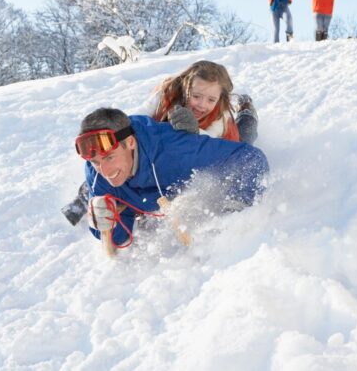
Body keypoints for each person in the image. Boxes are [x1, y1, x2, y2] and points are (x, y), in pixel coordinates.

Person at [61, 61, 258, 226]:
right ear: (185, 88)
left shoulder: (220, 119)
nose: (201, 104)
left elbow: (209, 153)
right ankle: (83, 198)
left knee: (246, 138)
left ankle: (247, 111)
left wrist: (193, 132)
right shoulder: (167, 94)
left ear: (219, 99)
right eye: (196, 96)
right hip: (157, 147)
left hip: (206, 145)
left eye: (210, 99)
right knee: (112, 157)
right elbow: (132, 123)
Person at [75, 108, 269, 247]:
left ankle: (246, 114)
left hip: (196, 141)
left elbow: (250, 158)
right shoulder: (95, 173)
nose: (105, 170)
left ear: (131, 143)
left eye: (109, 157)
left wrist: (237, 209)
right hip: (155, 187)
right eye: (95, 161)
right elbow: (118, 238)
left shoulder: (176, 152)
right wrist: (103, 225)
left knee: (238, 137)